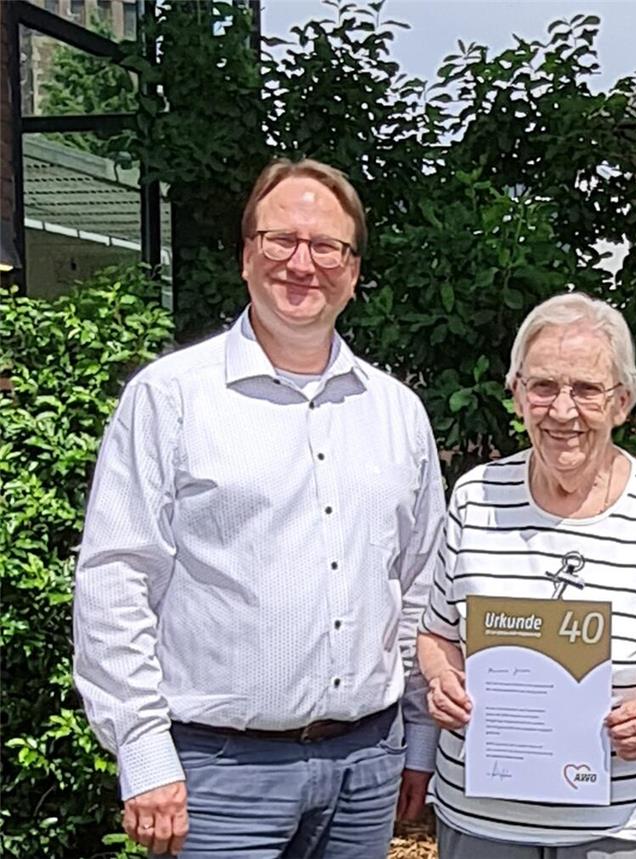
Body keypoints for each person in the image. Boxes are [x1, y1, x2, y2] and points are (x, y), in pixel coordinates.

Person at [73, 158, 445, 858]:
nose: (302, 263)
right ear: (247, 255)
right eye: (281, 240)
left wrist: (418, 736)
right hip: (218, 777)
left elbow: (421, 587)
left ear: (354, 270)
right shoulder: (171, 398)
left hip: (366, 768)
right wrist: (144, 753)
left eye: (326, 246)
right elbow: (115, 581)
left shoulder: (398, 413)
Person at [416, 292, 636, 858]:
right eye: (543, 387)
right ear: (516, 393)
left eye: (586, 390)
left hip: (626, 824)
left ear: (623, 403)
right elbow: (436, 634)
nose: (563, 411)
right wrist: (444, 682)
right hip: (485, 818)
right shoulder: (475, 497)